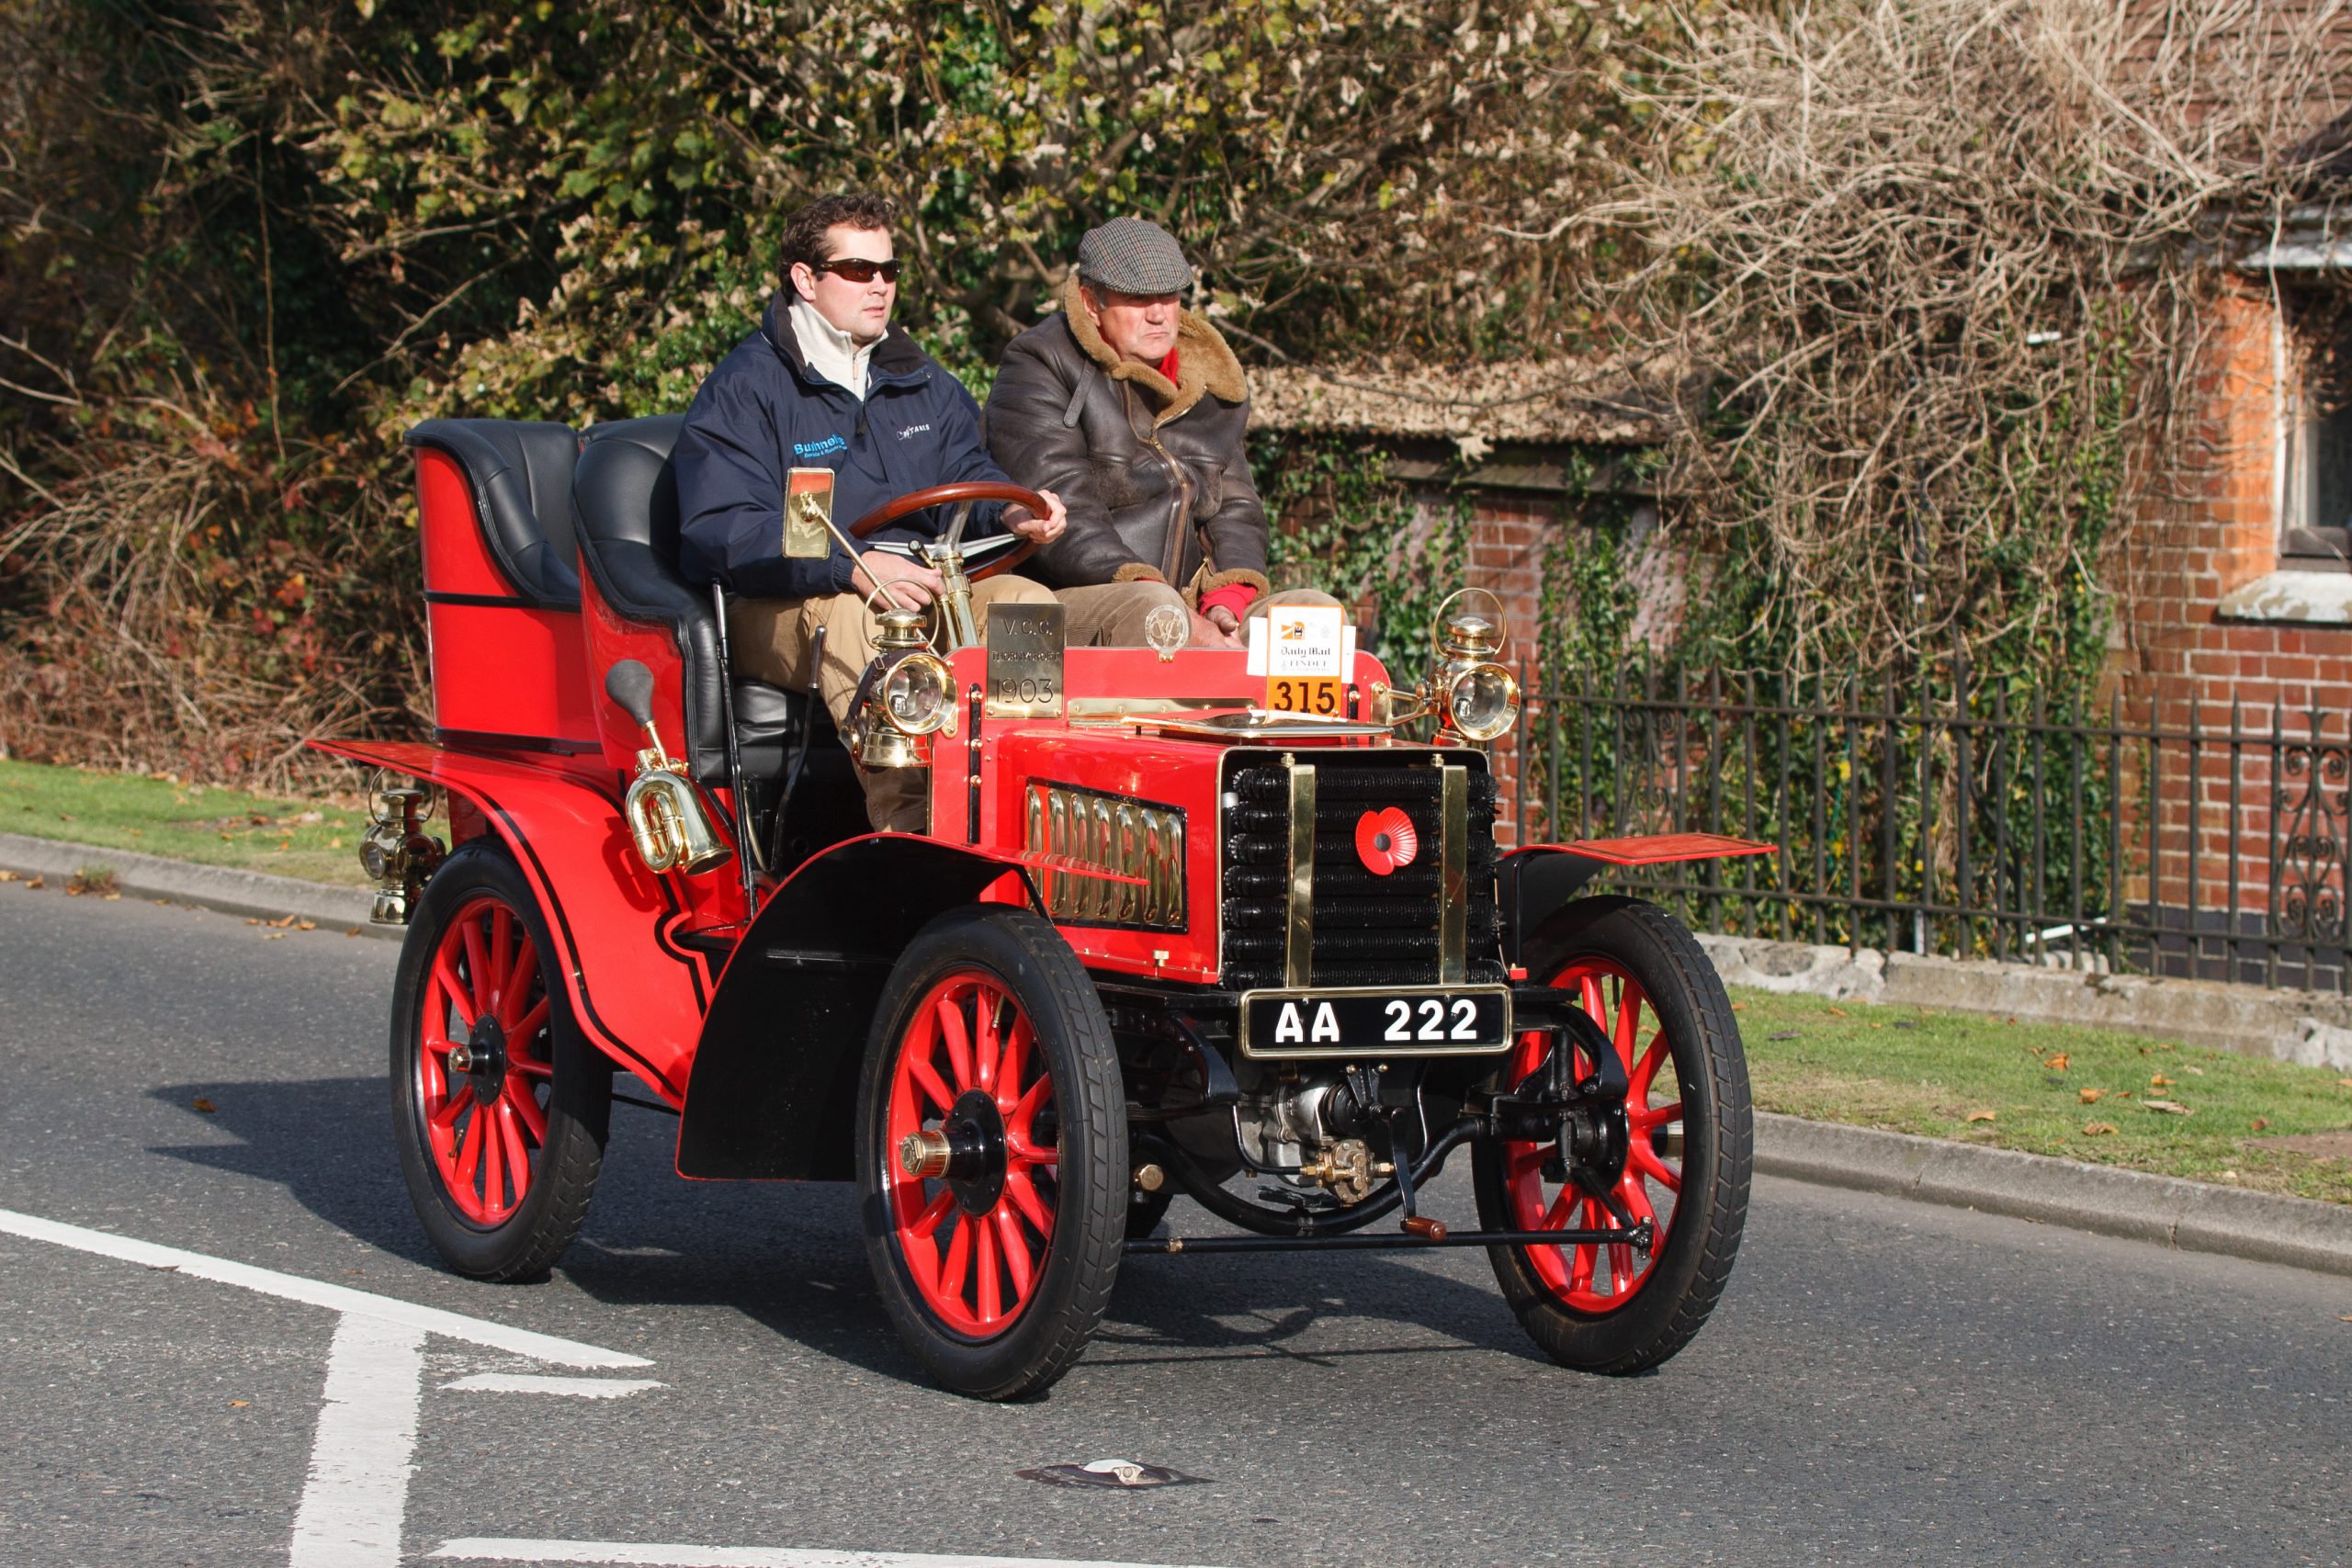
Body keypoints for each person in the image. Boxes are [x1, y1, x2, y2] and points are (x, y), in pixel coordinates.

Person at [673, 192, 1069, 833]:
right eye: (859, 269)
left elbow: (970, 473)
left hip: (916, 584)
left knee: (1025, 602)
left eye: (889, 269)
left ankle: (1029, 812)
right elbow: (722, 529)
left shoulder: (919, 378)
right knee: (867, 620)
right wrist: (851, 566)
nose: (880, 285)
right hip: (786, 600)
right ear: (805, 279)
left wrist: (1009, 513)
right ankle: (909, 832)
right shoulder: (745, 387)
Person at [982, 216, 1340, 649]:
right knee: (1154, 610)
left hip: (1189, 602)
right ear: (1091, 302)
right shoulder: (1039, 362)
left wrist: (1226, 600)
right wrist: (1177, 615)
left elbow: (1237, 504)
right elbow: (1062, 509)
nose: (1157, 314)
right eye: (1136, 298)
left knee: (1315, 615)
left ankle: (1255, 691)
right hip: (1083, 593)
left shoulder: (1207, 378)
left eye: (1168, 295)